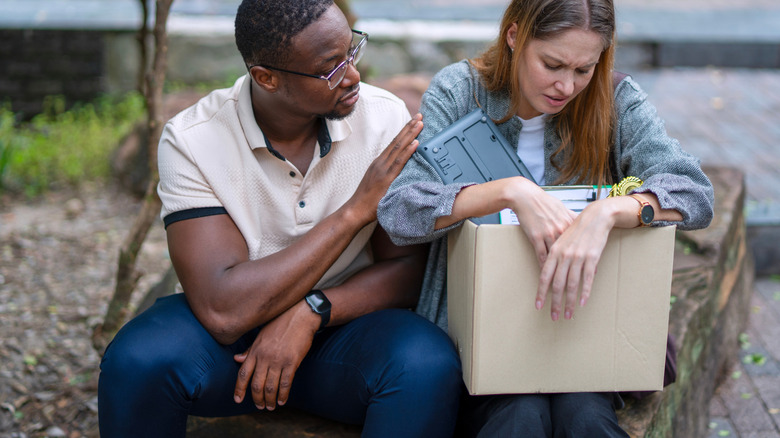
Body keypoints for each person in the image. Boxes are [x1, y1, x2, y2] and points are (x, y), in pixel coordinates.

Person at [97, 1, 463, 437]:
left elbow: (407, 268)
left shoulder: (383, 119)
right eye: (330, 68)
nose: (352, 76)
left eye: (352, 52)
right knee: (136, 362)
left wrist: (312, 312)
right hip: (229, 353)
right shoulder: (195, 139)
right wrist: (352, 214)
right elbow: (223, 309)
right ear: (266, 78)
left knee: (427, 362)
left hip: (346, 331)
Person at [377, 0, 714, 436]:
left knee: (586, 417)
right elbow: (400, 211)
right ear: (515, 36)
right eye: (552, 64)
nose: (566, 85)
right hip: (485, 333)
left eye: (583, 69)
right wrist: (508, 192)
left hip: (584, 327)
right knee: (519, 417)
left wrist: (611, 210)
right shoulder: (460, 90)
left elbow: (695, 194)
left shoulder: (614, 99)